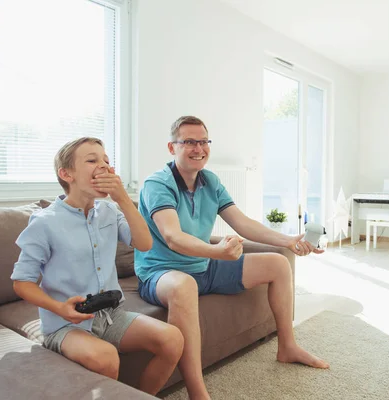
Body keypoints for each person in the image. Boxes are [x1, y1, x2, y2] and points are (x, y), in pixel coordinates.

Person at [135, 116, 329, 400]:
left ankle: (287, 346)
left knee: (278, 263)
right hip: (162, 273)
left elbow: (242, 223)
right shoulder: (158, 184)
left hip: (204, 266)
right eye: (189, 141)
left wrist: (289, 240)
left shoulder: (210, 181)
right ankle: (197, 391)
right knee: (183, 285)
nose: (198, 148)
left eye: (203, 141)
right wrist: (217, 251)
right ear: (171, 147)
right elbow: (172, 237)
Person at [11, 137, 184, 396]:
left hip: (111, 314)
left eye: (106, 160)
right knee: (106, 358)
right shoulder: (44, 223)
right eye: (92, 160)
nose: (103, 166)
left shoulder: (109, 212)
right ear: (66, 173)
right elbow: (21, 282)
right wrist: (60, 308)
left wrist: (123, 199)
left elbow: (145, 243)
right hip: (65, 324)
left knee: (173, 339)